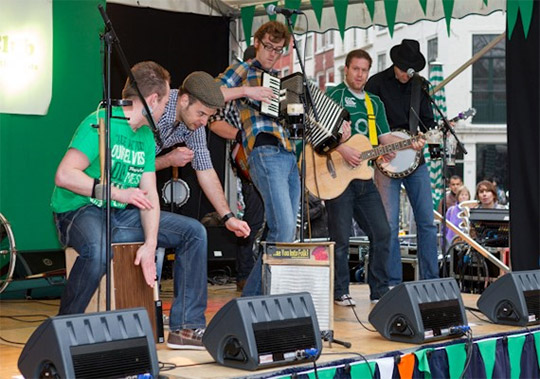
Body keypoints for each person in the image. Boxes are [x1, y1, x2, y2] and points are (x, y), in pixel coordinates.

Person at [51, 62, 208, 350]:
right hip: (77, 211)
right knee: (98, 247)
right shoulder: (100, 121)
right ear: (152, 100)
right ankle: (64, 329)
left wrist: (150, 244)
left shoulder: (146, 136)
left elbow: (148, 195)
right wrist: (117, 193)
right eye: (164, 104)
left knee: (194, 232)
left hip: (118, 216)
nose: (165, 113)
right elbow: (64, 175)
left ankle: (185, 328)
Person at [217, 21, 299, 296]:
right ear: (257, 42)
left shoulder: (279, 80)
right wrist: (246, 91)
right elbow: (212, 93)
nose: (273, 53)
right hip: (264, 152)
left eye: (278, 49)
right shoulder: (243, 69)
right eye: (268, 47)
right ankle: (253, 299)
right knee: (283, 229)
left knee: (285, 233)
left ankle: (265, 298)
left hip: (288, 155)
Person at [365, 39, 439, 286]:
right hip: (385, 161)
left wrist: (426, 139)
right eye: (403, 69)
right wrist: (377, 150)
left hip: (416, 162)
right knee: (389, 225)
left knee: (427, 222)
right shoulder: (375, 84)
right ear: (395, 63)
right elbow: (366, 122)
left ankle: (431, 281)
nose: (407, 75)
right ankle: (393, 282)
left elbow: (428, 123)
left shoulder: (420, 85)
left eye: (411, 70)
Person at [326, 49, 396, 305]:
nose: (360, 74)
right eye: (355, 69)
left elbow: (385, 139)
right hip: (336, 178)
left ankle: (379, 292)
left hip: (365, 179)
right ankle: (339, 291)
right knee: (340, 238)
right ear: (346, 69)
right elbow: (319, 131)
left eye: (364, 70)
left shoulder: (374, 102)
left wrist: (409, 144)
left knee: (383, 233)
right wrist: (341, 148)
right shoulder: (334, 95)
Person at [154, 71, 251, 239]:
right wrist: (168, 160)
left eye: (209, 116)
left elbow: (205, 168)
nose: (204, 123)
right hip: (115, 184)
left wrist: (228, 217)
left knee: (195, 233)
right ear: (184, 101)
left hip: (137, 187)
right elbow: (133, 163)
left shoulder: (193, 124)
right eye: (201, 114)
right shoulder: (156, 110)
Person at [209, 46, 264, 292]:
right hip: (246, 158)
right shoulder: (233, 91)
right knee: (252, 216)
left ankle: (260, 273)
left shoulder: (266, 87)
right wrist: (243, 135)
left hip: (266, 156)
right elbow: (214, 123)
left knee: (264, 218)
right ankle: (244, 274)